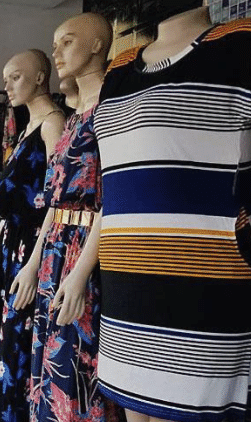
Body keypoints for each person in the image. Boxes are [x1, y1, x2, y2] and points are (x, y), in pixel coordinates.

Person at [94, 6, 251, 422]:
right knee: (136, 412)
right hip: (126, 284)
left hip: (200, 283)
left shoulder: (240, 43)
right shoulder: (120, 69)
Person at [10, 13, 118, 422]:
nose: (57, 52)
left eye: (67, 42)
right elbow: (55, 203)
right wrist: (34, 262)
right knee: (51, 363)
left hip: (86, 256)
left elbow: (114, 197)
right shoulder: (73, 118)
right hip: (56, 251)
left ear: (95, 46)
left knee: (78, 365)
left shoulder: (113, 110)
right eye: (54, 44)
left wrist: (80, 271)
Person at [0, 49, 64, 422]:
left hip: (32, 251)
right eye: (6, 78)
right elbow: (13, 210)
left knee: (18, 346)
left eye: (15, 77)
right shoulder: (26, 129)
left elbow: (57, 200)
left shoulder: (54, 123)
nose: (6, 85)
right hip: (11, 252)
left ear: (40, 77)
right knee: (4, 348)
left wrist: (34, 263)